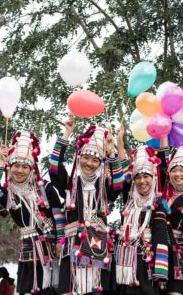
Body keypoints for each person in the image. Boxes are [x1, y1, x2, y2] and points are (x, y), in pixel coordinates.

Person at [49, 114, 124, 294]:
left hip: (99, 248)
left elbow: (119, 183)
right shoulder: (69, 183)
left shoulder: (104, 187)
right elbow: (53, 167)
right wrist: (66, 134)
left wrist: (112, 152)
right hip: (72, 248)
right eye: (86, 157)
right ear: (79, 156)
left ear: (100, 163)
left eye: (95, 160)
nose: (89, 163)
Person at [0, 131, 65, 294]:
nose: (19, 170)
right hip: (28, 248)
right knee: (29, 289)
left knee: (52, 289)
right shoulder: (9, 193)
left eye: (24, 167)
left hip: (50, 246)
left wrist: (60, 240)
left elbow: (58, 217)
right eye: (16, 165)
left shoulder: (46, 189)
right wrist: (1, 161)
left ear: (31, 169)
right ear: (10, 167)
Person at [114, 126, 168, 295]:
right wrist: (120, 141)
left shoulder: (157, 203)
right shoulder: (129, 199)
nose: (142, 181)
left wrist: (161, 275)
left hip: (147, 268)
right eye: (138, 177)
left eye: (146, 176)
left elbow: (160, 238)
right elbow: (123, 169)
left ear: (153, 178)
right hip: (125, 264)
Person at [156, 145, 183, 295]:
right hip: (160, 253)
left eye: (182, 170)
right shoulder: (161, 197)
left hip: (179, 256)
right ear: (169, 173)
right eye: (174, 170)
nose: (178, 174)